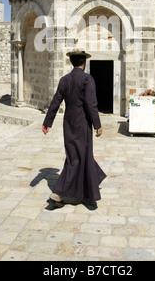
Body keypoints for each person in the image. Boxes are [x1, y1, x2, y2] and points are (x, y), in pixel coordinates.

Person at [42, 49, 106, 208]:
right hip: (83, 125)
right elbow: (91, 104)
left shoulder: (64, 80)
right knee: (76, 159)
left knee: (80, 156)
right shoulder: (87, 79)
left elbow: (55, 101)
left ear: (72, 62)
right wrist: (97, 124)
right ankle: (58, 193)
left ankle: (88, 192)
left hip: (69, 124)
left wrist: (47, 122)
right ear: (84, 62)